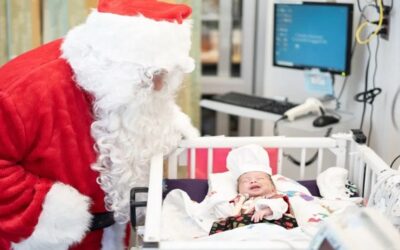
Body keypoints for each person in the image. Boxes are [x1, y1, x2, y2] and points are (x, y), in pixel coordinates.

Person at [0, 0, 199, 249]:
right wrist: (50, 211)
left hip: (116, 234)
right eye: (148, 75)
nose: (159, 87)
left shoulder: (121, 82)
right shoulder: (23, 91)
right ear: (113, 64)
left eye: (166, 74)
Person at [207, 144, 297, 234]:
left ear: (273, 188)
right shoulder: (239, 202)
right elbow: (227, 215)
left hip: (272, 229)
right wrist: (217, 199)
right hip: (244, 233)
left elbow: (280, 206)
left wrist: (267, 211)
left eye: (259, 179)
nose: (253, 181)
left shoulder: (274, 197)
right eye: (246, 181)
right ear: (239, 190)